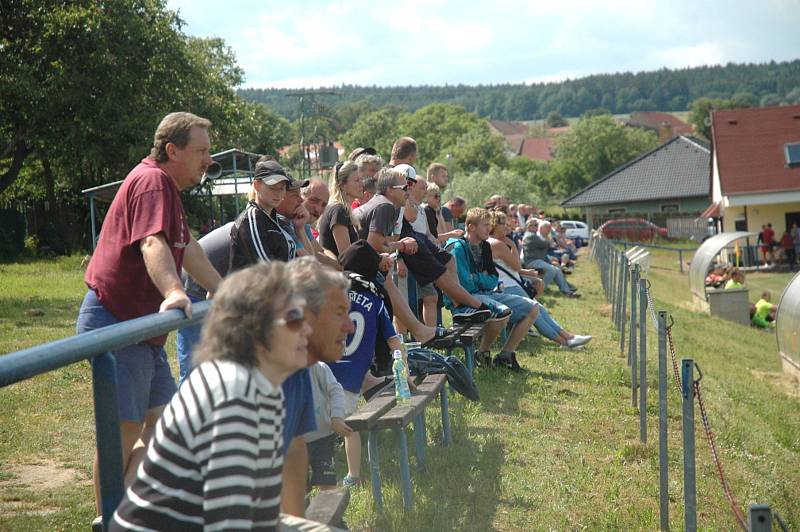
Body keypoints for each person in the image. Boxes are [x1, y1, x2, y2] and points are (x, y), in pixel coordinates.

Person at [77, 112, 223, 528]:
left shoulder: (168, 189)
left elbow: (187, 245)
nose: (208, 161)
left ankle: (128, 514)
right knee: (124, 431)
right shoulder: (152, 181)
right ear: (172, 150)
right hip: (116, 322)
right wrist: (175, 292)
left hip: (142, 329)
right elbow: (152, 242)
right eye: (201, 151)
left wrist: (222, 288)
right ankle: (109, 519)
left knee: (165, 429)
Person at [110, 261, 311, 531]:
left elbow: (260, 509)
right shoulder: (233, 397)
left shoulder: (267, 389)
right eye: (295, 319)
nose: (307, 330)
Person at [354, 167, 496, 323]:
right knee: (420, 287)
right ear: (390, 190)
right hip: (358, 264)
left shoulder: (390, 206)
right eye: (405, 187)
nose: (408, 191)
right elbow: (374, 245)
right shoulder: (384, 206)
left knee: (442, 267)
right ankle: (477, 306)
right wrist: (401, 246)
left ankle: (450, 315)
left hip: (365, 260)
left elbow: (387, 241)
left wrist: (398, 244)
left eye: (410, 186)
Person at [331, 240, 408, 487]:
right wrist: (403, 372)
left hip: (325, 367)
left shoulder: (331, 293)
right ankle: (353, 475)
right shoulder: (375, 300)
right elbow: (394, 341)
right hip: (353, 376)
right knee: (349, 426)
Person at [445, 208, 539, 370]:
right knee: (501, 313)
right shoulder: (458, 248)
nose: (489, 228)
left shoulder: (485, 246)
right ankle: (483, 353)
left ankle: (505, 355)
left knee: (533, 308)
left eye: (490, 225)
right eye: (485, 225)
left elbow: (493, 279)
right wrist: (480, 278)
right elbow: (465, 284)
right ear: (471, 227)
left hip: (486, 294)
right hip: (464, 302)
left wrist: (476, 277)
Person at [487, 211, 591, 349]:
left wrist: (524, 271)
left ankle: (568, 338)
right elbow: (516, 266)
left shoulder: (493, 242)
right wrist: (512, 245)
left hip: (508, 284)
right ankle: (566, 341)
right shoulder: (498, 244)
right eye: (503, 224)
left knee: (539, 308)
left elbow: (505, 267)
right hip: (507, 286)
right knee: (536, 311)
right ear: (494, 225)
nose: (507, 227)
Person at [229, 160, 297, 268]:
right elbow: (265, 266)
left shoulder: (279, 220)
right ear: (256, 185)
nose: (278, 193)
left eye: (282, 188)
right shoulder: (251, 218)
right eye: (273, 188)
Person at [305, 362, 351, 491]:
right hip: (293, 442)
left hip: (323, 438)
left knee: (328, 483)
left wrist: (336, 417)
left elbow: (336, 391)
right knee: (297, 491)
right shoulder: (278, 370)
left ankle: (328, 510)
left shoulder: (319, 368)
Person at [522, 219, 580, 297]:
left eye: (536, 225)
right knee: (552, 269)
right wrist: (549, 240)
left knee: (556, 270)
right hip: (532, 261)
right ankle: (539, 289)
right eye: (534, 225)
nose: (536, 227)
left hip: (538, 259)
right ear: (528, 226)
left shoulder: (533, 235)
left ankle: (567, 291)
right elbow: (546, 244)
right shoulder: (530, 235)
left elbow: (549, 244)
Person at [318, 160, 363, 258]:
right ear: (343, 185)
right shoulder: (339, 210)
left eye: (361, 179)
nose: (361, 184)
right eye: (356, 180)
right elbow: (346, 255)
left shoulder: (343, 209)